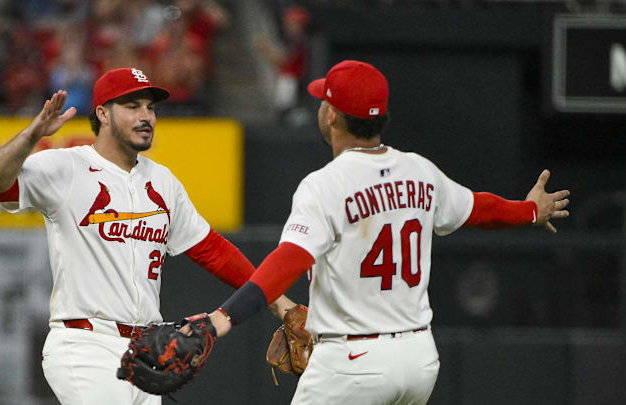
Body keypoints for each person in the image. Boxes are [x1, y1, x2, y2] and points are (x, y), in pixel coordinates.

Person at [187, 60, 571, 405]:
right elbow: (479, 208)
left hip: (352, 363)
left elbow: (289, 260)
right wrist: (530, 210)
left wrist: (224, 318)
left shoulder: (324, 184)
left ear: (332, 116)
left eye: (324, 101)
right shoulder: (420, 170)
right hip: (418, 360)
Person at [0, 67, 296, 405]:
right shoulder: (66, 167)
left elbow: (212, 251)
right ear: (102, 113)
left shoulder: (163, 181)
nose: (146, 117)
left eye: (150, 107)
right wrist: (31, 136)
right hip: (85, 344)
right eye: (132, 107)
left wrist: (279, 301)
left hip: (146, 352)